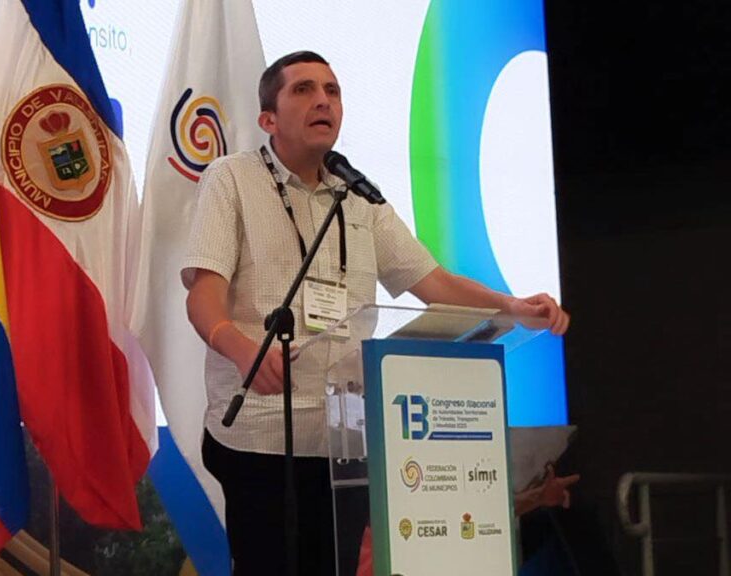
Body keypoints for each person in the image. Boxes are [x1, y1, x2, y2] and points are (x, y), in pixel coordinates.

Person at [181, 50, 570, 576]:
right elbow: (203, 294)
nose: (323, 100)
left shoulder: (360, 196)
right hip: (261, 437)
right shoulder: (231, 178)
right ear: (268, 119)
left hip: (346, 444)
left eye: (332, 91)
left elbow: (435, 283)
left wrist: (513, 307)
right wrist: (243, 348)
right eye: (303, 89)